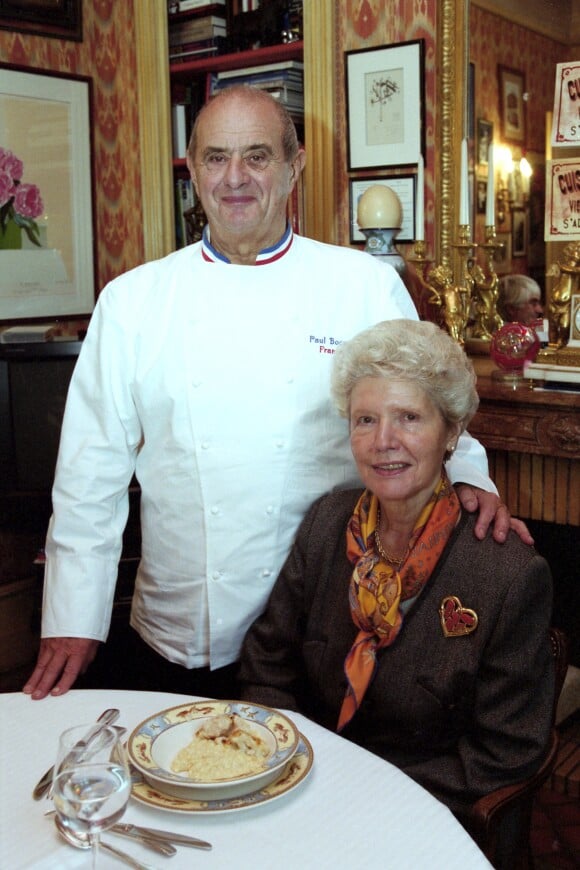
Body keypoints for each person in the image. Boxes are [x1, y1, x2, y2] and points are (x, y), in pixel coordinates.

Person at [24, 85, 530, 702]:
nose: (234, 178)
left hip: (326, 628)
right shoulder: (132, 302)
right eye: (215, 157)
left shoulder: (361, 286)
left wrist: (474, 483)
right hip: (182, 631)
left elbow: (434, 410)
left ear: (295, 168)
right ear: (193, 168)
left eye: (257, 156)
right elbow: (89, 474)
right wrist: (73, 619)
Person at [239, 318, 554, 828]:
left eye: (408, 417)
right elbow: (266, 667)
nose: (384, 441)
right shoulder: (325, 524)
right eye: (365, 420)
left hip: (420, 818)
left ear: (451, 432)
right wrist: (284, 765)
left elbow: (505, 753)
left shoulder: (507, 573)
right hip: (299, 789)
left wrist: (359, 796)